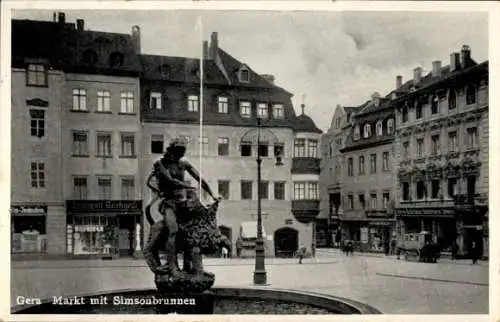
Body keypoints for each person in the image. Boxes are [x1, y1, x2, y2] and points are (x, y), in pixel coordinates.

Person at [145, 137, 220, 276]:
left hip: (182, 202)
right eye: (180, 152)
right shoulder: (160, 163)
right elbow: (170, 180)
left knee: (192, 232)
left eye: (183, 152)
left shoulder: (183, 162)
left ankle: (191, 266)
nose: (182, 155)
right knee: (173, 230)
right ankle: (172, 266)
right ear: (173, 150)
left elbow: (200, 179)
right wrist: (186, 185)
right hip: (169, 203)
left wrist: (212, 194)